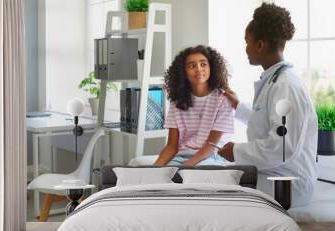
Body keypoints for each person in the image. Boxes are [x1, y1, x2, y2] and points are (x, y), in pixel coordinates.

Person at [218, 3, 318, 207]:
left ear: (260, 45)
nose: (245, 48)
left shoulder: (286, 86)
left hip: (289, 184)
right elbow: (267, 121)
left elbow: (282, 147)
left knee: (218, 188)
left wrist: (236, 151)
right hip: (273, 171)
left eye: (247, 42)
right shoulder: (274, 81)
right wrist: (238, 106)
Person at [130, 45, 235, 166]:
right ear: (183, 72)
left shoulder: (223, 99)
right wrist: (155, 169)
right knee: (158, 175)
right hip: (183, 155)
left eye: (203, 64)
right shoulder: (177, 102)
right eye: (192, 66)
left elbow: (211, 146)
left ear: (212, 67)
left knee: (188, 176)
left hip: (213, 157)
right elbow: (171, 147)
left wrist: (186, 166)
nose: (198, 69)